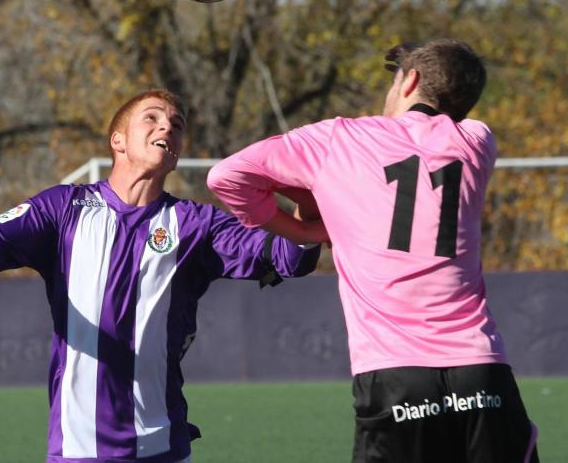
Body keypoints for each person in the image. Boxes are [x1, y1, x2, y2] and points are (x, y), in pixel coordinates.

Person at [0, 89, 321, 463]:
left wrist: (309, 204)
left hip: (163, 447)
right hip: (79, 449)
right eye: (152, 118)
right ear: (118, 140)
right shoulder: (63, 209)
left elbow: (288, 257)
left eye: (176, 125)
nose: (167, 127)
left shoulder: (197, 225)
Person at [207, 39, 539, 463]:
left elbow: (226, 177)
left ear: (410, 81)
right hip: (482, 373)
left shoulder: (339, 138)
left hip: (395, 376)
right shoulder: (478, 142)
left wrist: (304, 229)